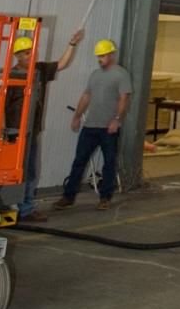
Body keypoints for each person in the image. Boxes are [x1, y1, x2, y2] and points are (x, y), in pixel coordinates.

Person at [1, 28, 84, 221]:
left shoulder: (39, 71)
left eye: (32, 51)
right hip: (13, 133)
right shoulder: (11, 76)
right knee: (8, 171)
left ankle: (26, 209)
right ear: (18, 56)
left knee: (29, 171)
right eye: (27, 53)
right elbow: (2, 107)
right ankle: (4, 205)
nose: (32, 55)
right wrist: (3, 133)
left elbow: (62, 64)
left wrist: (72, 44)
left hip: (32, 131)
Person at [53, 39, 132, 210]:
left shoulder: (121, 75)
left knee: (109, 163)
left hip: (108, 128)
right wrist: (76, 116)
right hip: (90, 127)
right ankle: (68, 197)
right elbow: (86, 96)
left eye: (103, 56)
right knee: (79, 161)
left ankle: (105, 198)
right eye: (98, 56)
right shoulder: (95, 75)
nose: (100, 59)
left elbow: (124, 98)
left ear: (111, 54)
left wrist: (116, 119)